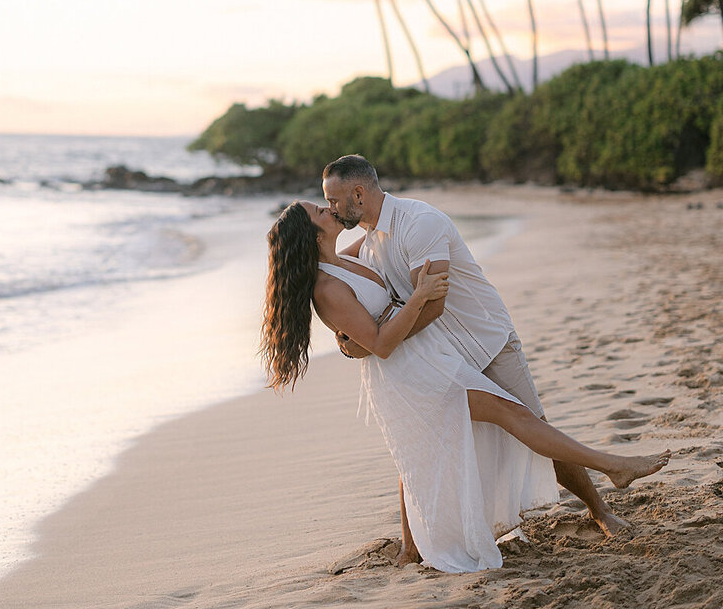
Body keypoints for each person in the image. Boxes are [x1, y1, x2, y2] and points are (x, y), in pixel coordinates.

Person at [260, 198, 671, 573]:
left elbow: (367, 322)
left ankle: (412, 547)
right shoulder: (327, 287)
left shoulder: (347, 258)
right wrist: (420, 297)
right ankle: (612, 466)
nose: (329, 210)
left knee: (424, 447)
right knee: (511, 414)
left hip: (428, 356)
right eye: (320, 211)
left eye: (328, 203)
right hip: (410, 371)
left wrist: (355, 339)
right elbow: (382, 345)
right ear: (312, 235)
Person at [319, 155, 639, 564]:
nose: (331, 208)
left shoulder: (420, 223)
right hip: (439, 356)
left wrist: (381, 343)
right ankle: (410, 546)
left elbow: (432, 306)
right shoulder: (368, 243)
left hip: (485, 342)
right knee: (415, 439)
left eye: (333, 199)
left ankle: (601, 510)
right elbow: (342, 281)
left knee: (534, 427)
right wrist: (351, 341)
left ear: (358, 193)